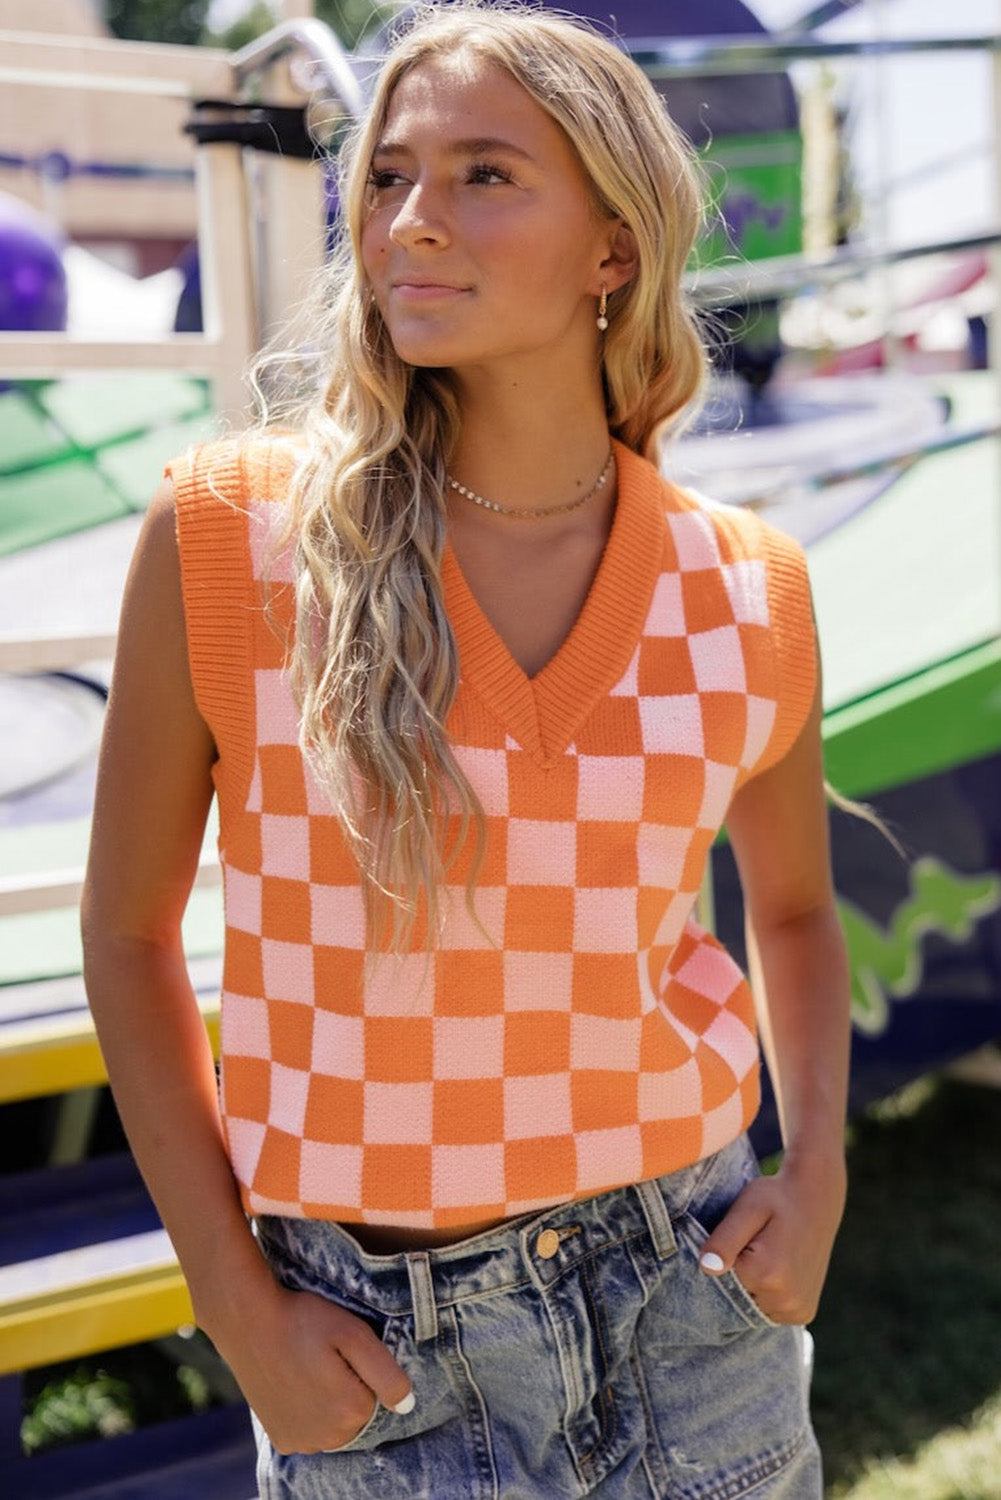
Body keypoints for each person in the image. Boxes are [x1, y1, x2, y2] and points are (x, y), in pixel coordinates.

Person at [81, 3, 851, 1495]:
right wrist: (235, 1307)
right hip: (375, 1355)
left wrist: (815, 1173)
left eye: (484, 174)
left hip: (694, 1310)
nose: (411, 221)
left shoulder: (748, 586)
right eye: (387, 177)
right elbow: (124, 935)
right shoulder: (229, 537)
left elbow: (800, 911)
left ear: (613, 247)